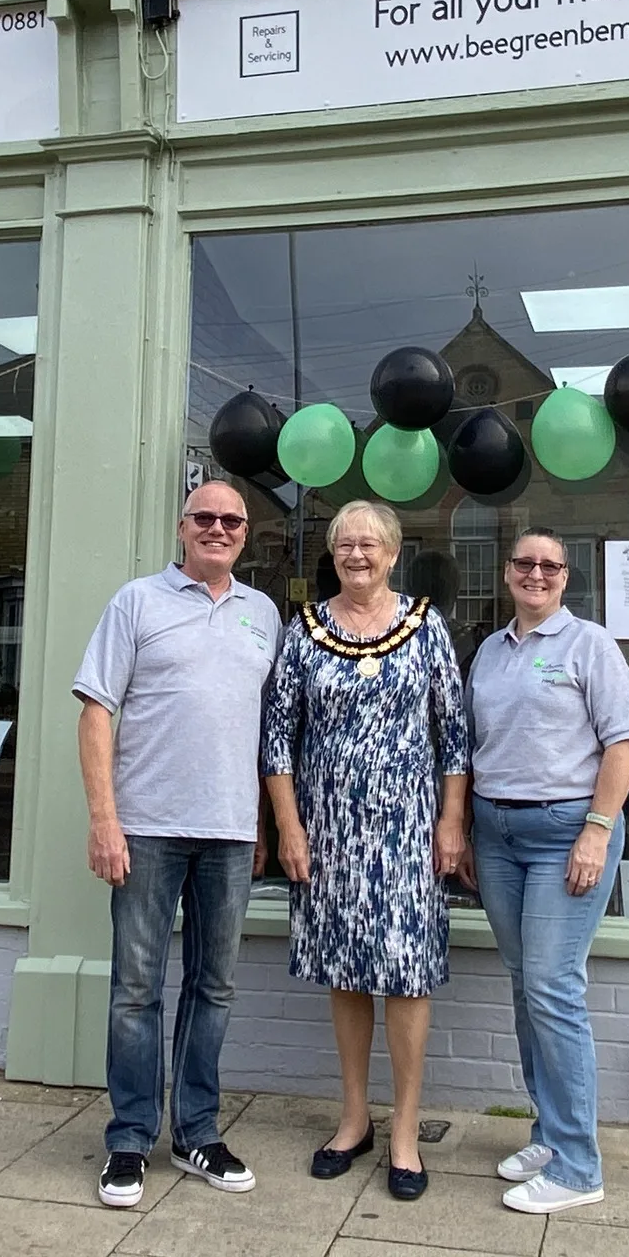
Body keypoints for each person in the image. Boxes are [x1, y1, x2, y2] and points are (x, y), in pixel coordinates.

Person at [72, 481, 282, 1209]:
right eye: (205, 518)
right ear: (181, 527)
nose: (218, 528)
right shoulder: (137, 602)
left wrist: (262, 821)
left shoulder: (264, 615)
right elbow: (96, 711)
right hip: (148, 828)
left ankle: (197, 1132)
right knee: (136, 991)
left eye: (232, 520)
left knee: (213, 988)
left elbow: (264, 734)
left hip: (229, 833)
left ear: (245, 534)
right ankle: (130, 1138)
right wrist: (105, 819)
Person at [262, 500, 470, 1201]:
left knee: (407, 976)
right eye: (346, 544)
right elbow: (276, 740)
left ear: (392, 552)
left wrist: (451, 821)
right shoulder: (305, 631)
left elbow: (455, 736)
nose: (357, 554)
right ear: (333, 554)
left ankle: (406, 1131)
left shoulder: (425, 627)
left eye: (370, 544)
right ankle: (354, 1118)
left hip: (409, 831)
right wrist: (288, 827)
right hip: (327, 834)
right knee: (346, 972)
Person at [465, 527, 629, 1214]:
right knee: (526, 985)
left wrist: (597, 832)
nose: (536, 573)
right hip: (499, 833)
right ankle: (547, 1132)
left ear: (565, 578)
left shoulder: (589, 644)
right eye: (525, 563)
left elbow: (623, 743)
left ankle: (577, 1165)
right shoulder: (489, 650)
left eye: (550, 565)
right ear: (507, 573)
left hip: (567, 833)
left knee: (552, 986)